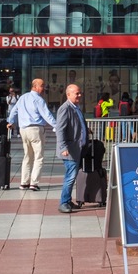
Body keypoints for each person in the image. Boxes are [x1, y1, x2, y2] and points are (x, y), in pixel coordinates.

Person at [7, 78, 57, 191]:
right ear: (35, 86)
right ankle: (34, 183)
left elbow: (14, 110)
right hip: (35, 129)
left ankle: (24, 182)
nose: (44, 88)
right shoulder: (38, 99)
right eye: (42, 85)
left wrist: (10, 122)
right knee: (38, 157)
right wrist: (57, 126)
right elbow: (47, 115)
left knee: (27, 156)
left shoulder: (23, 97)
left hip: (24, 130)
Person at [53, 83, 87, 214]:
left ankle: (67, 200)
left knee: (72, 175)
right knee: (70, 176)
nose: (79, 95)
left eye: (79, 93)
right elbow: (60, 129)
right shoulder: (65, 108)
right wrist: (63, 147)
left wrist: (85, 130)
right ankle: (63, 203)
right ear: (68, 94)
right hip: (70, 150)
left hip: (77, 148)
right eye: (76, 93)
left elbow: (77, 123)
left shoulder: (76, 107)